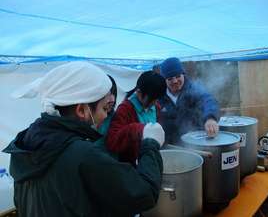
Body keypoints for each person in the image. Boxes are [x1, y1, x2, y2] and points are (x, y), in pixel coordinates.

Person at [3, 61, 164, 217]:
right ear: (82, 110)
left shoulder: (24, 143)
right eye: (104, 108)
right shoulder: (83, 155)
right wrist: (150, 144)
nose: (106, 115)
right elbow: (144, 193)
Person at [106, 70, 166, 166]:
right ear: (139, 92)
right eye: (151, 100)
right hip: (133, 165)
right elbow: (112, 142)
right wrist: (137, 129)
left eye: (157, 99)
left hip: (151, 160)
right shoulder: (125, 110)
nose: (155, 103)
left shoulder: (156, 107)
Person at [159, 57, 219, 145]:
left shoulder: (193, 88)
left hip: (195, 144)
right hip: (170, 145)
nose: (175, 81)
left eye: (178, 76)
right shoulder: (159, 95)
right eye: (170, 79)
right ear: (164, 80)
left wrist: (210, 118)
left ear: (183, 74)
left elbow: (208, 100)